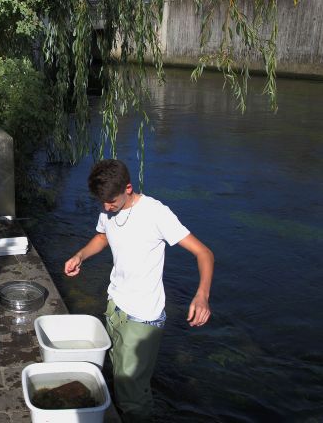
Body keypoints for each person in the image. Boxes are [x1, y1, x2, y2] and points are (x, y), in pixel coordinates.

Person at [64, 159, 214, 422]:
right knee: (121, 379)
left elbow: (204, 253)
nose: (106, 207)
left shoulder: (156, 213)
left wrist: (202, 295)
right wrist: (81, 255)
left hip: (143, 318)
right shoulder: (108, 209)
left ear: (129, 188)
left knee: (134, 397)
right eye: (102, 202)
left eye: (110, 201)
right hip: (114, 308)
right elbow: (103, 237)